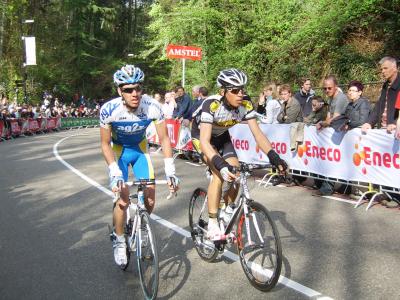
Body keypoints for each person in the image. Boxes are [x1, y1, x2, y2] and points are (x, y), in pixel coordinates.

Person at [191, 68, 287, 240]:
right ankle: (212, 223)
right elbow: (205, 141)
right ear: (223, 91)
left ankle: (227, 210)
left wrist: (274, 157)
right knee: (219, 174)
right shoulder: (211, 105)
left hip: (221, 136)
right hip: (202, 136)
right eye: (235, 91)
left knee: (235, 171)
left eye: (242, 89)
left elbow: (257, 134)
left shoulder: (246, 104)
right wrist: (219, 165)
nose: (240, 94)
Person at [99, 64, 179, 268]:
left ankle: (142, 227)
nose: (135, 94)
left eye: (138, 88)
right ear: (119, 90)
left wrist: (170, 170)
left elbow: (164, 139)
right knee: (123, 200)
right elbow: (104, 144)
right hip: (119, 153)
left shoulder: (152, 106)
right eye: (128, 89)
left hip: (140, 151)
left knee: (150, 198)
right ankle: (118, 239)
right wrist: (114, 171)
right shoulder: (109, 109)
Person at [361, 56, 400, 134]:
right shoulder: (385, 85)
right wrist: (369, 122)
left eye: (385, 68)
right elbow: (379, 105)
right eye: (381, 69)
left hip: (395, 131)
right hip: (383, 130)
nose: (382, 71)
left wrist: (395, 124)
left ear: (395, 68)